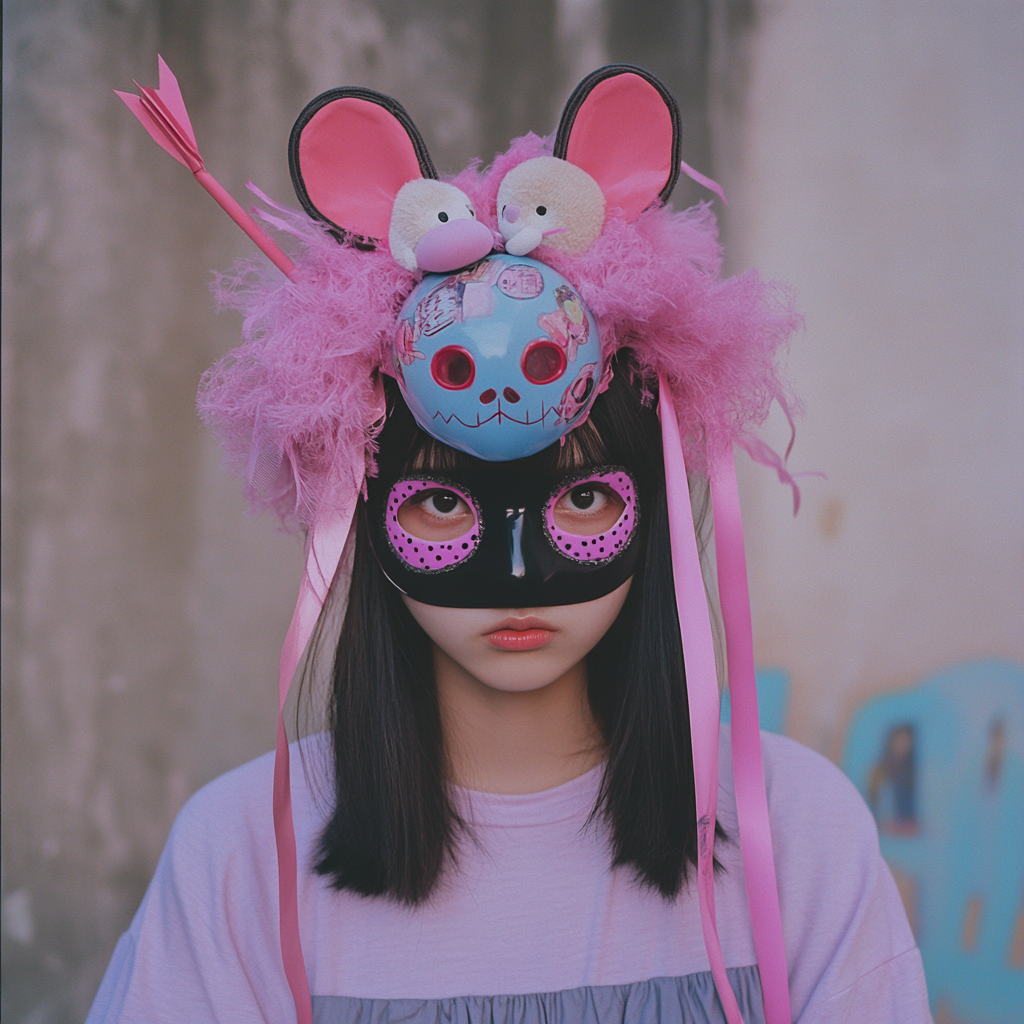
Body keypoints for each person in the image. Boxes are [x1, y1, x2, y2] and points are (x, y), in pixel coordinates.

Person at [93, 64, 933, 1023]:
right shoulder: (241, 858)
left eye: (582, 499)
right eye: (443, 508)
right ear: (365, 511)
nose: (521, 575)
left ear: (653, 501)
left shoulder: (801, 837)